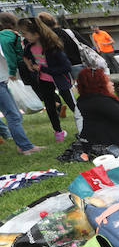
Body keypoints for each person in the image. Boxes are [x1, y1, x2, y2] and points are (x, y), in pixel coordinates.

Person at [18, 17, 75, 142]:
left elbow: (66, 67)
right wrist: (28, 64)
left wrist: (43, 69)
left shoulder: (53, 47)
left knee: (72, 105)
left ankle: (84, 126)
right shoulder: (29, 47)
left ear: (36, 34)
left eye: (25, 33)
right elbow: (25, 56)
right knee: (50, 107)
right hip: (44, 80)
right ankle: (58, 132)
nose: (23, 36)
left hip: (60, 80)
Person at [0, 15, 42, 154]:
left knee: (13, 114)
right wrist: (12, 71)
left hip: (3, 81)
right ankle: (25, 147)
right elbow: (10, 56)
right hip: (1, 82)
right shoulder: (7, 36)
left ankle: (22, 144)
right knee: (13, 115)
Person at [38, 13, 89, 79]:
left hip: (66, 72)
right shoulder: (69, 32)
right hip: (84, 65)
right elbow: (87, 45)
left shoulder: (48, 39)